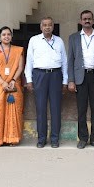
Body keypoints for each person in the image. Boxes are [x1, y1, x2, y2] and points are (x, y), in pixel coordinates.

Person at [67, 10, 94, 149]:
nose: (87, 21)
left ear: (93, 20)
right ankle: (83, 138)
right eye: (84, 19)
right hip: (81, 77)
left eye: (89, 19)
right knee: (81, 109)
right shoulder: (73, 37)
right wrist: (71, 80)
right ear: (80, 21)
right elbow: (70, 60)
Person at [24, 16, 68, 148]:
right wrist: (29, 80)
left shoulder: (59, 41)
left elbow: (64, 62)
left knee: (56, 108)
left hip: (55, 75)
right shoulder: (34, 40)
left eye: (50, 25)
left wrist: (65, 80)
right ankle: (41, 139)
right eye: (45, 25)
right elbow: (29, 61)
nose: (47, 27)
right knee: (41, 109)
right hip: (39, 75)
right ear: (41, 27)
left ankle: (55, 139)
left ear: (53, 27)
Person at [0, 26, 25, 146]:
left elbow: (20, 67)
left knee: (14, 109)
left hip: (14, 83)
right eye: (4, 34)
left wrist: (13, 80)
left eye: (8, 34)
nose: (6, 36)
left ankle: (12, 138)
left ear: (11, 36)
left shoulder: (18, 50)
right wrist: (2, 81)